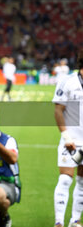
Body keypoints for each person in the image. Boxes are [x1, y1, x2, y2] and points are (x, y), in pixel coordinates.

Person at [53, 49, 83, 227]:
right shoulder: (68, 81)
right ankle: (59, 222)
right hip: (71, 143)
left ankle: (75, 220)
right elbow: (58, 110)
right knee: (65, 179)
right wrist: (65, 136)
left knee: (82, 181)